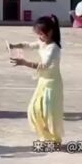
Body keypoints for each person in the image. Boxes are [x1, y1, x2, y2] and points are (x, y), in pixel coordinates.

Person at [8, 15, 64, 145]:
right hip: (42, 82)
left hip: (52, 84)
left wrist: (24, 63)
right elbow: (28, 45)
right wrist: (13, 46)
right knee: (34, 110)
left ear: (49, 32)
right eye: (38, 34)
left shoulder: (54, 48)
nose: (39, 37)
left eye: (41, 34)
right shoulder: (42, 43)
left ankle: (54, 140)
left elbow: (44, 66)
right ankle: (45, 137)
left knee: (49, 113)